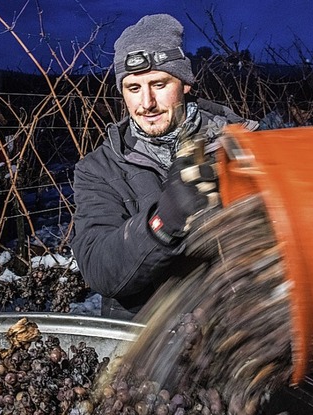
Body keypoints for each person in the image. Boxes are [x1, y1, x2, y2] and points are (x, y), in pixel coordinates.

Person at [70, 14, 266, 320]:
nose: (146, 103)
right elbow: (100, 271)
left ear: (185, 84)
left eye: (159, 84)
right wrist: (163, 220)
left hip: (236, 330)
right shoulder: (99, 169)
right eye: (133, 88)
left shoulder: (242, 146)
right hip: (149, 340)